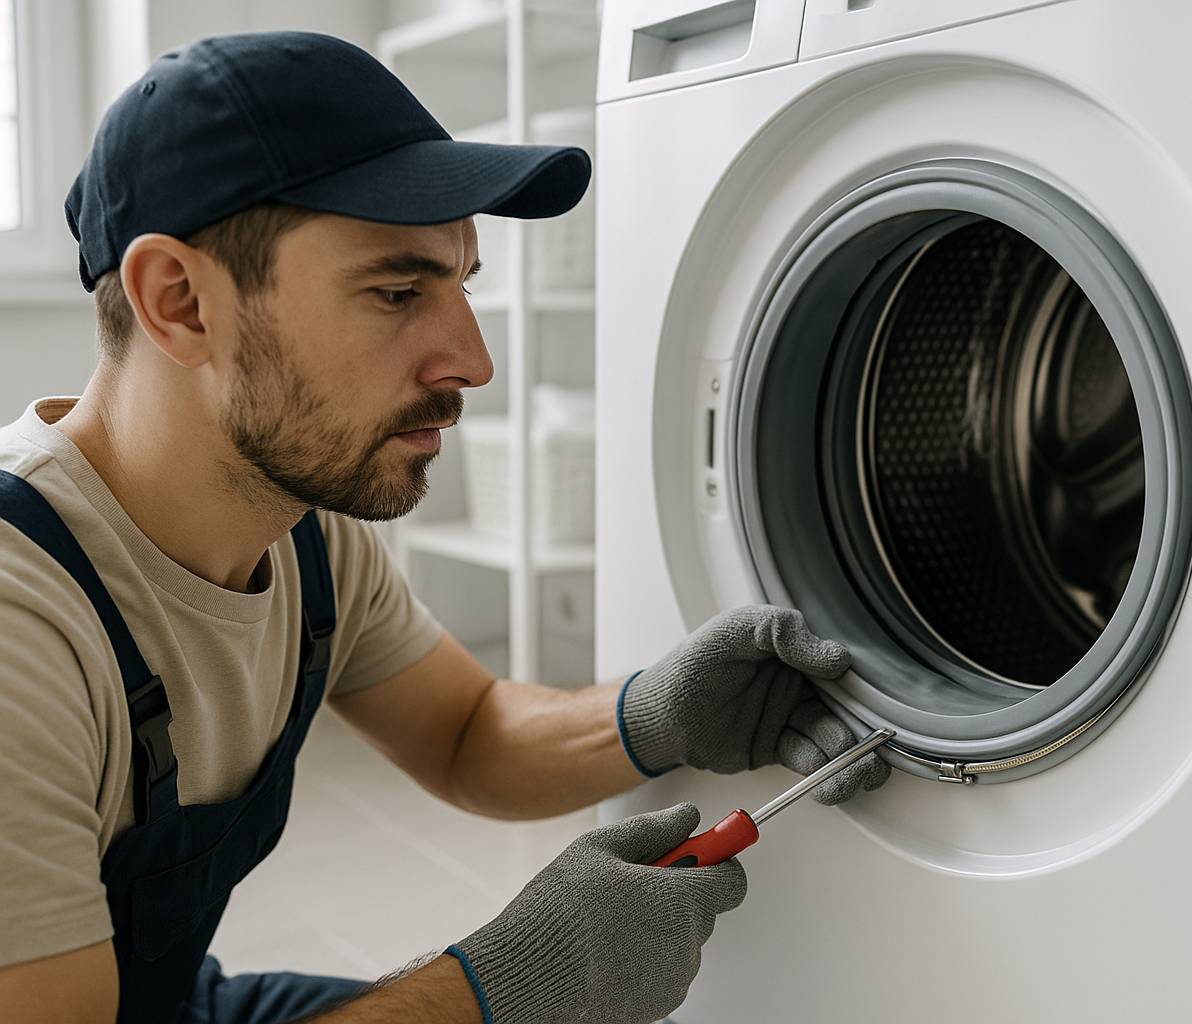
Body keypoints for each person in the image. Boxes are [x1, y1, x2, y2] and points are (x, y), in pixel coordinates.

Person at [0, 31, 889, 1024]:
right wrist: (503, 987)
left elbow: (466, 733)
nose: (471, 359)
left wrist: (655, 710)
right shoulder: (19, 624)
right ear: (181, 303)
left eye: (461, 283)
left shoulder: (298, 532)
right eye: (397, 291)